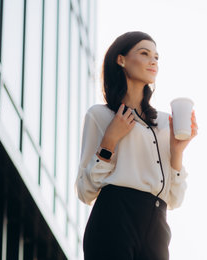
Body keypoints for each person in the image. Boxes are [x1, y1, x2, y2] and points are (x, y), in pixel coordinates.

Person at [75, 31, 198, 260]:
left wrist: (177, 150)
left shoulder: (165, 123)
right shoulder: (100, 115)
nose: (153, 61)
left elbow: (174, 199)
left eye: (157, 57)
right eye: (144, 53)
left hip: (157, 224)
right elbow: (85, 191)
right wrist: (110, 140)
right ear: (121, 60)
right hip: (113, 219)